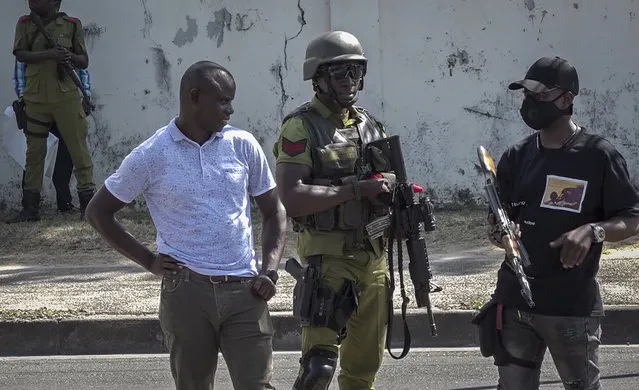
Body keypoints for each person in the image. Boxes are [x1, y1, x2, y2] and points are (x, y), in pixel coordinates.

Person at [85, 60, 287, 390]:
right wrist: (149, 260)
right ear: (195, 97)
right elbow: (98, 212)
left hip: (245, 291)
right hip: (186, 293)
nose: (230, 110)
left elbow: (274, 212)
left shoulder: (243, 144)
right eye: (223, 100)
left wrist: (270, 271)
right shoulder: (152, 154)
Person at [485, 56, 639, 389]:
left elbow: (631, 219)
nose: (529, 103)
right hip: (515, 302)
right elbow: (498, 223)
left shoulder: (598, 155)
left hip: (569, 307)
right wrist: (502, 233)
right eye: (526, 94)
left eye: (539, 95)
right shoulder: (516, 156)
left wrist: (592, 230)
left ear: (567, 99)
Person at [273, 30, 394, 389]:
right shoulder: (301, 126)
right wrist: (355, 189)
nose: (350, 81)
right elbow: (291, 195)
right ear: (318, 78)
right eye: (340, 73)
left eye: (356, 72)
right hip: (328, 263)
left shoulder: (369, 124)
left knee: (363, 369)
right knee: (318, 370)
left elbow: (391, 182)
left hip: (373, 261)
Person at [7, 0, 95, 223]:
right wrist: (50, 55)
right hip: (35, 97)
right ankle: (30, 209)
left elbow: (83, 61)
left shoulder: (73, 25)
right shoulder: (25, 23)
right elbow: (20, 54)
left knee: (78, 151)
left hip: (66, 97)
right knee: (34, 154)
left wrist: (68, 56)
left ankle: (89, 207)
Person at [13, 54, 93, 213]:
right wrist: (24, 99)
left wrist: (86, 94)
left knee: (71, 153)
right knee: (33, 154)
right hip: (38, 103)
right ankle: (30, 206)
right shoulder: (32, 39)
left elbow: (81, 69)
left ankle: (65, 203)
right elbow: (20, 70)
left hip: (67, 102)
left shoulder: (67, 36)